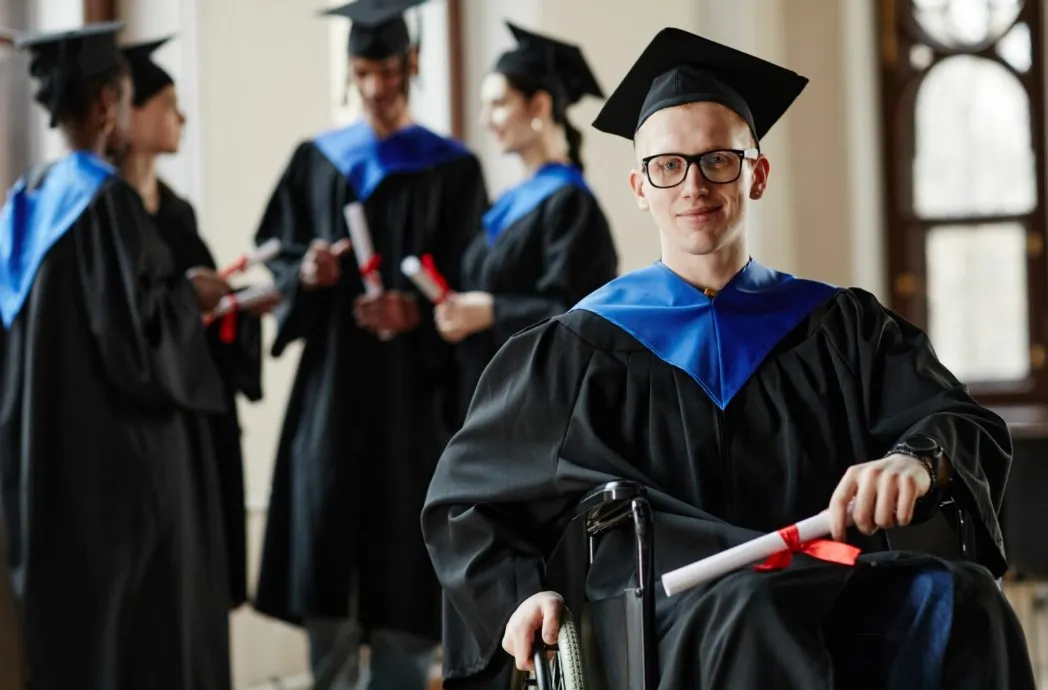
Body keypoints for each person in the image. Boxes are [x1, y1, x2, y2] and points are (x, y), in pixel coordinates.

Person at [422, 27, 1036, 689]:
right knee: (758, 608)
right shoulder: (578, 349)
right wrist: (520, 594)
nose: (694, 185)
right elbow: (467, 503)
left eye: (719, 159)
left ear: (757, 174)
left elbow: (958, 422)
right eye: (668, 165)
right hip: (662, 612)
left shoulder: (839, 328)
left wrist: (913, 463)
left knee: (965, 600)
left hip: (829, 578)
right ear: (639, 186)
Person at [251, 0, 488, 688]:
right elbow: (274, 257)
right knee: (328, 574)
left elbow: (475, 281)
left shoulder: (453, 170)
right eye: (364, 72)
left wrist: (414, 311)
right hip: (331, 396)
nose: (379, 87)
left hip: (411, 407)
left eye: (390, 71)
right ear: (350, 73)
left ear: (412, 65)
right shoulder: (318, 161)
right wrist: (306, 272)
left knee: (404, 587)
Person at [0, 22, 233, 689]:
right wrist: (192, 299)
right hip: (123, 487)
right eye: (127, 100)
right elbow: (142, 345)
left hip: (45, 472)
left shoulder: (26, 200)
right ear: (105, 106)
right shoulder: (106, 204)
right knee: (141, 646)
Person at [119, 35, 276, 610]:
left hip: (202, 423)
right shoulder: (107, 214)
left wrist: (235, 306)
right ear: (127, 108)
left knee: (200, 588)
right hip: (146, 431)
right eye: (167, 103)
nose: (180, 116)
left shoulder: (178, 210)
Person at [434, 22, 618, 413]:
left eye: (498, 104)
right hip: (486, 400)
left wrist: (491, 312)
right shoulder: (509, 203)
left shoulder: (570, 205)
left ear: (539, 107)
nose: (486, 120)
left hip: (536, 408)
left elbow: (578, 316)